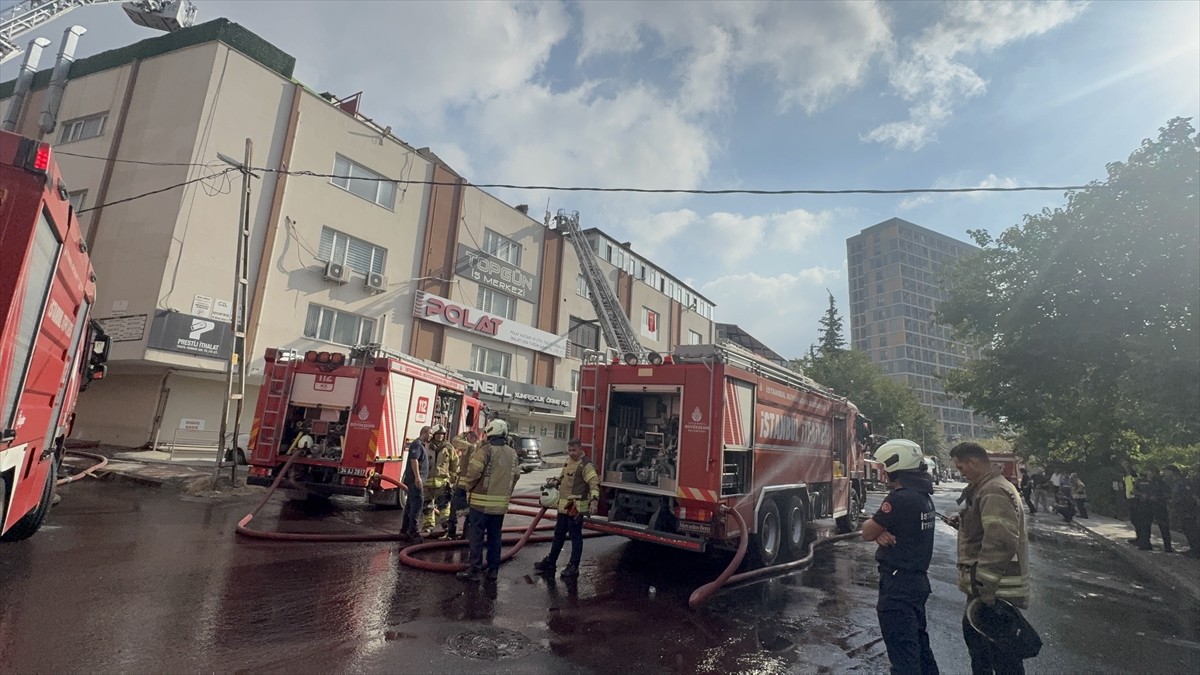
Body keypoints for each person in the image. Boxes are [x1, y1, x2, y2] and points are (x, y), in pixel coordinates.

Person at [949, 442, 1032, 675]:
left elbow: (1000, 542)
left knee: (1000, 658)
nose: (961, 472)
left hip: (994, 594)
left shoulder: (993, 490)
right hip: (990, 593)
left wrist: (984, 589)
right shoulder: (989, 487)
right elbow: (989, 530)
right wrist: (964, 524)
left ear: (974, 462)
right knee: (986, 654)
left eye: (961, 467)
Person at [861, 439, 940, 675]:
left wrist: (877, 531)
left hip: (898, 587)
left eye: (884, 468)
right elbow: (890, 529)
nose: (883, 474)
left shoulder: (899, 499)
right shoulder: (923, 496)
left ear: (896, 465)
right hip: (916, 583)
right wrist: (881, 532)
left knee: (903, 657)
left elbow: (866, 531)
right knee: (919, 648)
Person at [457, 419, 520, 582]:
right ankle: (493, 571)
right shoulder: (512, 453)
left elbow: (473, 472)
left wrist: (469, 487)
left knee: (476, 536)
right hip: (499, 506)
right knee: (495, 537)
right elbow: (516, 475)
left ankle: (475, 569)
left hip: (480, 504)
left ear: (491, 432)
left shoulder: (486, 450)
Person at [534, 438, 601, 579]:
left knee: (575, 537)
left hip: (575, 508)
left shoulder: (586, 465)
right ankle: (551, 561)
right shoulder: (568, 461)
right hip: (564, 507)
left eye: (574, 450)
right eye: (569, 450)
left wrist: (594, 501)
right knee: (558, 535)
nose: (571, 453)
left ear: (580, 449)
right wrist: (555, 481)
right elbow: (562, 477)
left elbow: (594, 484)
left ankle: (573, 566)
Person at [421, 426, 456, 536]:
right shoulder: (426, 446)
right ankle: (428, 527)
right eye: (438, 434)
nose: (440, 436)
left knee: (444, 507)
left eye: (442, 434)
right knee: (427, 507)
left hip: (442, 483)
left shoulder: (449, 448)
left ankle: (446, 527)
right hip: (427, 483)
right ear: (434, 435)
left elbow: (455, 463)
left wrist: (453, 477)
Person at [445, 429, 479, 540]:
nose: (466, 439)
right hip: (472, 486)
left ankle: (451, 533)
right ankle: (466, 535)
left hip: (462, 486)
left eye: (468, 437)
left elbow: (454, 441)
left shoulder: (469, 446)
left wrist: (464, 433)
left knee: (454, 509)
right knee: (470, 510)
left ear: (472, 438)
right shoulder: (479, 449)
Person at [401, 425, 432, 542]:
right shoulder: (417, 444)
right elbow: (414, 460)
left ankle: (405, 529)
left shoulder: (420, 445)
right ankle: (413, 530)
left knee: (409, 504)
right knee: (417, 505)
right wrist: (418, 477)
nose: (431, 436)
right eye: (430, 434)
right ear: (424, 433)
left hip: (414, 480)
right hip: (415, 481)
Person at [1144, 465, 1174, 553]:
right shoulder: (1144, 482)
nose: (1150, 474)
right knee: (1146, 525)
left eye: (1152, 472)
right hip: (1148, 506)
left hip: (1160, 506)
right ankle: (1146, 544)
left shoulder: (1161, 483)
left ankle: (1168, 546)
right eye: (1148, 471)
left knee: (1164, 527)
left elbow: (1168, 494)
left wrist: (1158, 497)